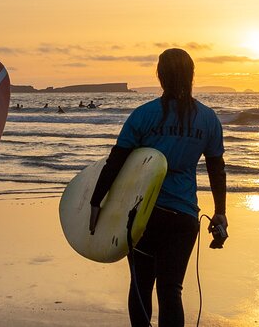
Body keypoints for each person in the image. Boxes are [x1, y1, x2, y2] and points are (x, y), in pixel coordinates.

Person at [89, 48, 227, 327]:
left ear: (160, 76)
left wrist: (95, 203)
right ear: (191, 76)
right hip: (184, 216)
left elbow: (116, 162)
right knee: (171, 290)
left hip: (144, 216)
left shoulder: (143, 115)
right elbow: (216, 168)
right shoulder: (208, 119)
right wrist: (220, 212)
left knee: (141, 286)